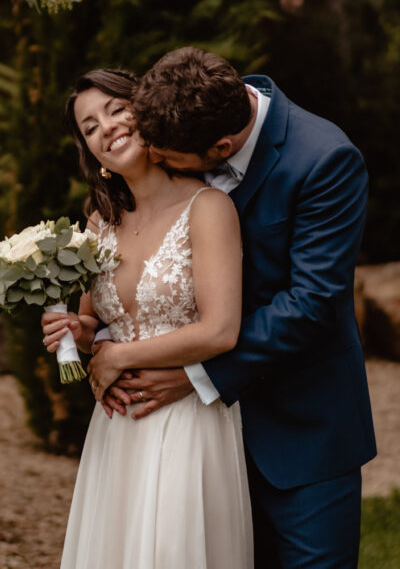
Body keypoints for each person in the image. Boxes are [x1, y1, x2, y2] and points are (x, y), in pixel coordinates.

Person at [93, 47, 377, 568]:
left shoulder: (324, 160)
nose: (152, 159)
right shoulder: (187, 110)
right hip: (199, 447)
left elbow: (310, 304)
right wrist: (103, 334)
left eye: (166, 158)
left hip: (303, 433)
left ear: (221, 147)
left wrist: (196, 372)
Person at [42, 68, 254, 568]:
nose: (107, 128)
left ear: (146, 111)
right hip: (117, 427)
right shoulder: (99, 220)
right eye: (90, 127)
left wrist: (119, 356)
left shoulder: (209, 207)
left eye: (116, 110)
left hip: (187, 421)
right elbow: (97, 325)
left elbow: (221, 331)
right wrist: (77, 331)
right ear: (89, 150)